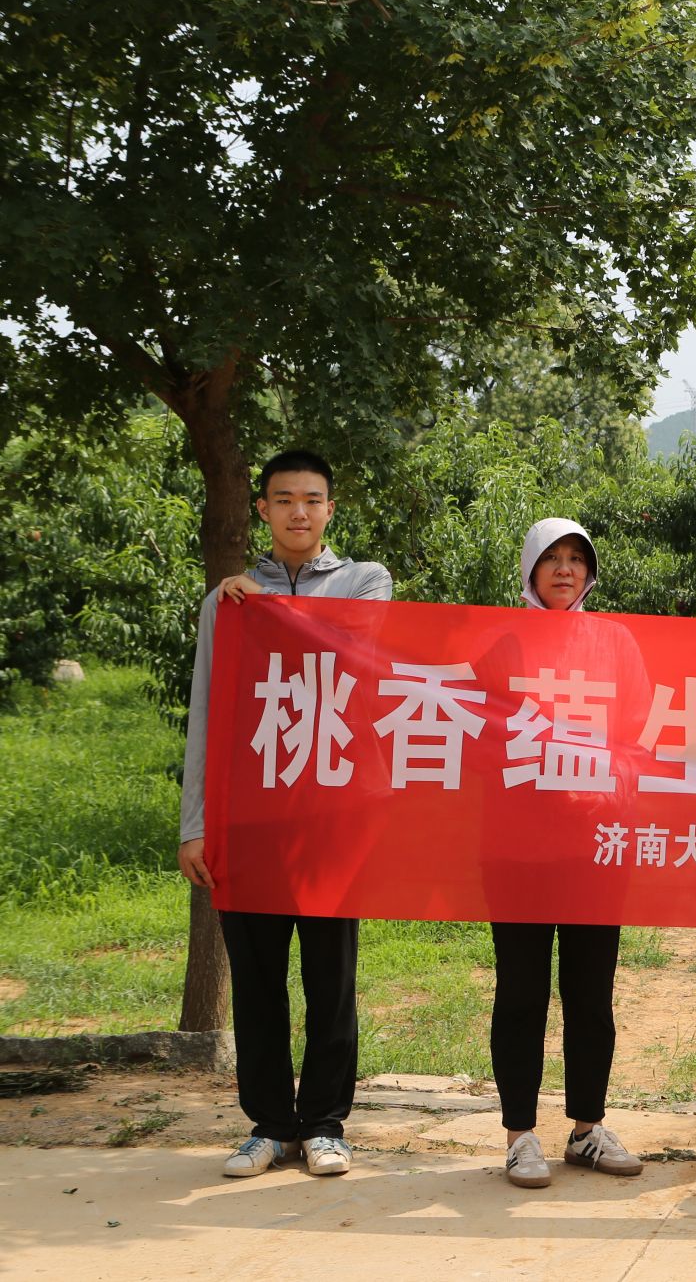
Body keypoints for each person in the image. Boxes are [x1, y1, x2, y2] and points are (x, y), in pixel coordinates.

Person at [178, 449, 391, 1178]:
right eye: (284, 499)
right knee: (258, 978)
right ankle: (269, 1123)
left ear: (330, 509)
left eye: (312, 499)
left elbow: (356, 650)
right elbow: (206, 713)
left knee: (331, 977)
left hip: (332, 817)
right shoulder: (226, 604)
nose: (299, 512)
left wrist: (267, 608)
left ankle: (326, 1122)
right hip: (250, 820)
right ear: (263, 509)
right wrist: (194, 824)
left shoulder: (365, 581)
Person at [493, 519, 643, 1189]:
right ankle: (519, 1135)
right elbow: (477, 731)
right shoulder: (503, 641)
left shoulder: (614, 641)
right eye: (551, 557)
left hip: (595, 845)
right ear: (530, 569)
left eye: (577, 558)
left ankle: (587, 1128)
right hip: (516, 846)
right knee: (520, 991)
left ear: (590, 572)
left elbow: (638, 728)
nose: (564, 569)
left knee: (591, 992)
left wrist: (613, 784)